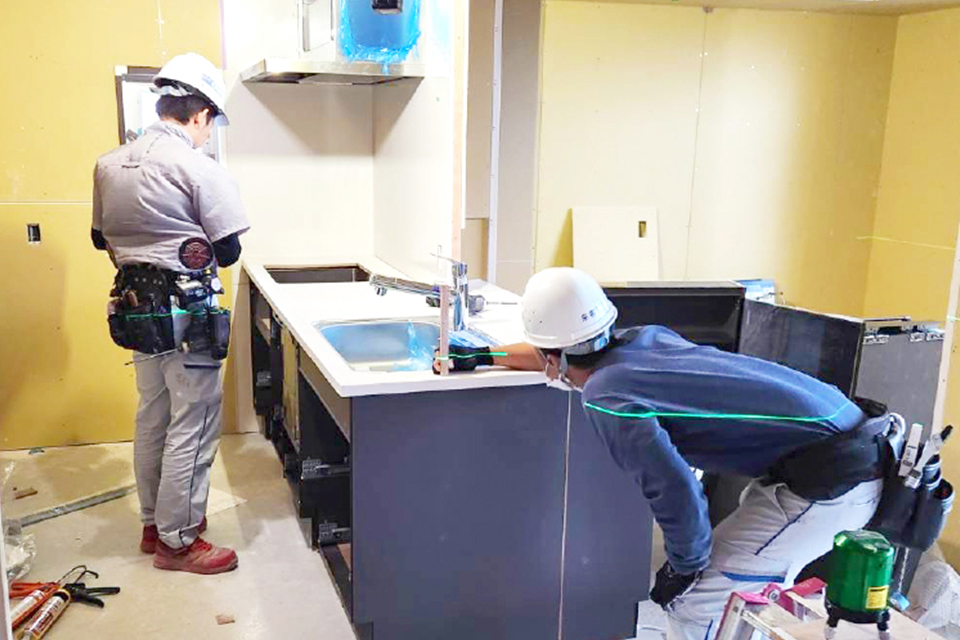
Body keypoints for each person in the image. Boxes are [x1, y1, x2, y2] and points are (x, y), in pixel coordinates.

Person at [440, 267, 890, 639]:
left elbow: (674, 489)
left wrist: (685, 567)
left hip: (833, 482)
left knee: (698, 603)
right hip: (847, 445)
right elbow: (558, 354)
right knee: (738, 587)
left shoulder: (608, 397)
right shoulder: (641, 341)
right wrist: (486, 355)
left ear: (554, 355)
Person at [91, 52, 250, 575]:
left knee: (153, 413)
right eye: (210, 122)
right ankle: (178, 541)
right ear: (200, 113)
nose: (207, 132)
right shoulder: (199, 168)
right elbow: (228, 251)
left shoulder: (109, 165)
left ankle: (153, 524)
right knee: (194, 421)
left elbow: (99, 239)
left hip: (138, 311)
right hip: (188, 315)